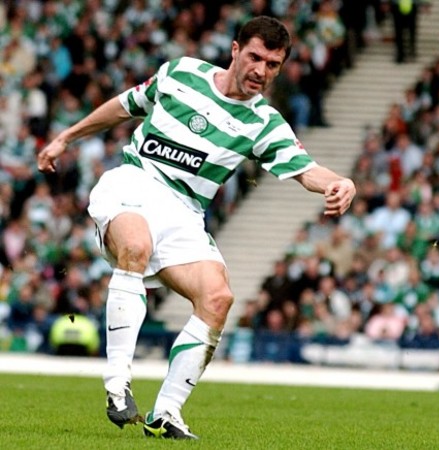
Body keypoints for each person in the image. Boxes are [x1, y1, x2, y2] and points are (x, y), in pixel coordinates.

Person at [37, 16, 356, 440]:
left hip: (186, 212)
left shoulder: (264, 122)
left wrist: (340, 182)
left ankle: (166, 413)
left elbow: (306, 170)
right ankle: (117, 385)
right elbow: (125, 105)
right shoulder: (181, 73)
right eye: (256, 57)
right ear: (235, 50)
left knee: (218, 297)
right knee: (136, 245)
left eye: (273, 64)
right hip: (136, 181)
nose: (261, 71)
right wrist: (67, 137)